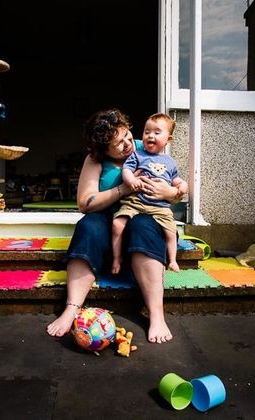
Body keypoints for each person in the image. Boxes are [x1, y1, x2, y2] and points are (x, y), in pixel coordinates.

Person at [46, 109, 185, 343]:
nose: (128, 144)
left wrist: (171, 192)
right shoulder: (95, 159)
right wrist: (123, 189)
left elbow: (174, 183)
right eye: (118, 144)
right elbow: (85, 203)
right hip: (107, 221)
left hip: (142, 216)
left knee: (145, 226)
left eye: (128, 136)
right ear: (103, 150)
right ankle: (71, 308)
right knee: (88, 227)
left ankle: (157, 315)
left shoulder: (146, 147)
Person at [111, 113, 188, 275]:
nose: (150, 135)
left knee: (171, 232)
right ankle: (117, 258)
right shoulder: (137, 155)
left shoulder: (170, 162)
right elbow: (127, 170)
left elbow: (175, 180)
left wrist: (183, 185)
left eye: (157, 132)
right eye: (147, 132)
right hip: (135, 202)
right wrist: (131, 180)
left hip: (160, 207)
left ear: (168, 139)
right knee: (117, 225)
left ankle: (172, 260)